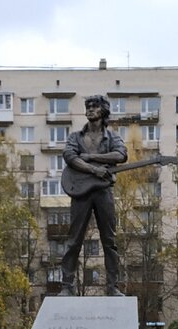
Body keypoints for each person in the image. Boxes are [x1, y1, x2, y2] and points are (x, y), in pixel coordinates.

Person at [58, 94, 128, 297]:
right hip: (80, 193)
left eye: (94, 106)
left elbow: (121, 155)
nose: (90, 109)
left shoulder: (112, 136)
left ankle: (113, 286)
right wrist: (93, 169)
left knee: (110, 240)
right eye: (88, 106)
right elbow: (70, 157)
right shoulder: (76, 137)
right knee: (74, 240)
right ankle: (66, 286)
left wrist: (91, 156)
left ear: (103, 110)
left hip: (103, 192)